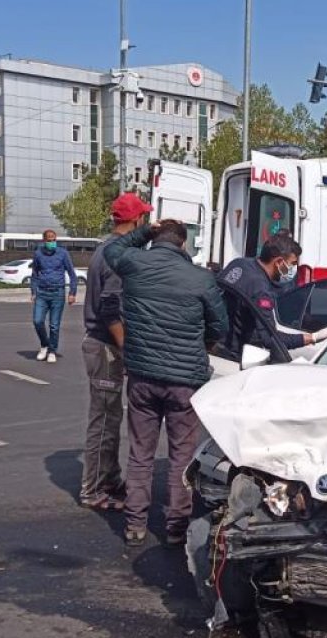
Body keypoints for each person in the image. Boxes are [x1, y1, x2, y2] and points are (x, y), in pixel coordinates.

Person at [103, 219, 229, 545]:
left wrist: (143, 231)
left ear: (155, 240)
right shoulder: (201, 278)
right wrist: (202, 347)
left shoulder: (134, 263)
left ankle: (134, 525)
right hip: (185, 381)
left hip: (143, 376)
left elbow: (112, 248)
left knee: (140, 454)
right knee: (181, 457)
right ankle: (176, 527)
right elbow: (220, 326)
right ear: (183, 244)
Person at [76, 194, 148, 511]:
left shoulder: (107, 248)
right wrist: (128, 349)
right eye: (143, 217)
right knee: (104, 420)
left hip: (103, 343)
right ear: (135, 221)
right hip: (105, 346)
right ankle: (92, 490)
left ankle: (108, 478)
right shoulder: (118, 255)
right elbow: (110, 308)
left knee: (111, 416)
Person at [217, 235, 327, 351]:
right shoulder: (260, 289)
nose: (294, 268)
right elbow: (270, 339)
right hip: (234, 354)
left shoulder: (239, 264)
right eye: (293, 264)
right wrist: (312, 337)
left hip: (216, 343)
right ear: (279, 262)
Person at [30, 229, 79, 363]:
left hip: (58, 293)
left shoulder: (63, 254)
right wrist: (33, 291)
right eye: (49, 240)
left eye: (54, 240)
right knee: (37, 321)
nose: (52, 242)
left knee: (54, 325)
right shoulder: (38, 254)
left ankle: (52, 350)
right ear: (44, 240)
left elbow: (72, 274)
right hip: (42, 293)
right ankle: (44, 344)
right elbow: (34, 274)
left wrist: (72, 293)